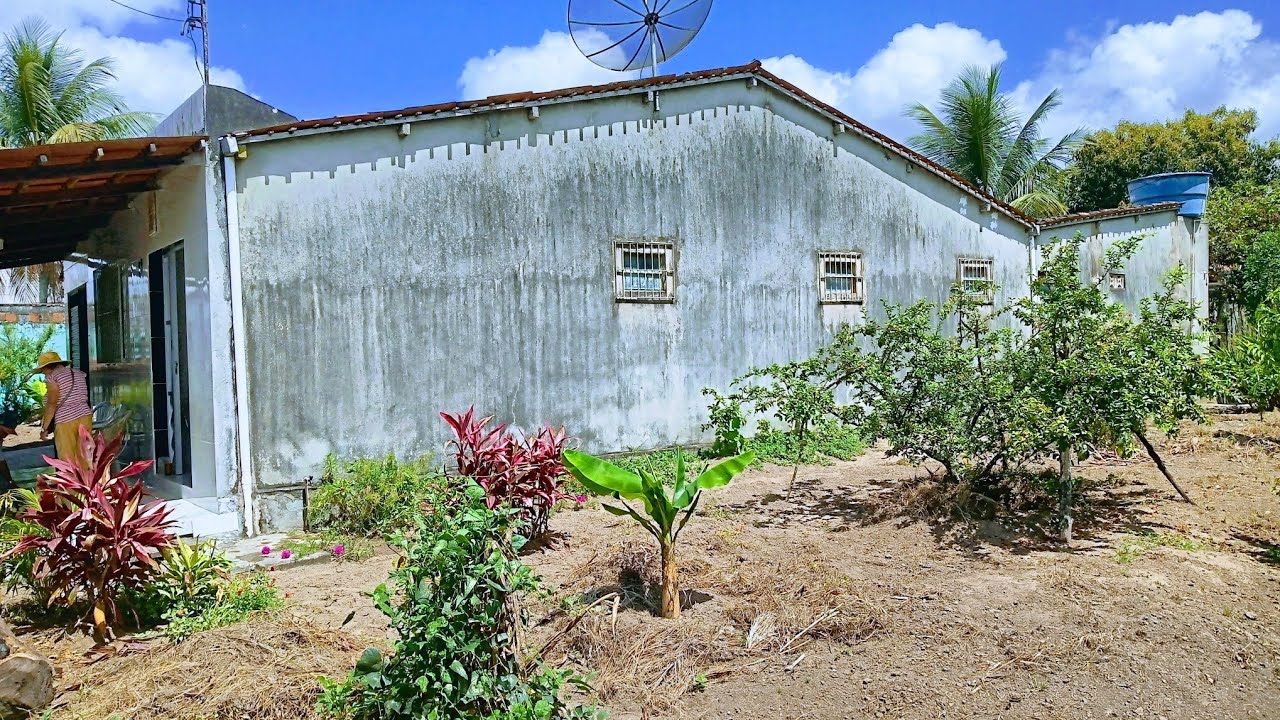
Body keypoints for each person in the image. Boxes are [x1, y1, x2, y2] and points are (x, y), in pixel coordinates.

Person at [32, 352, 92, 470]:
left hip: (66, 420)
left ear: (48, 366)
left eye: (42, 370)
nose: (43, 373)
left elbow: (52, 403)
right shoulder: (78, 373)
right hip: (85, 415)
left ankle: (71, 488)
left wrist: (44, 428)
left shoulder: (52, 377)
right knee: (85, 455)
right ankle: (88, 486)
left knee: (67, 459)